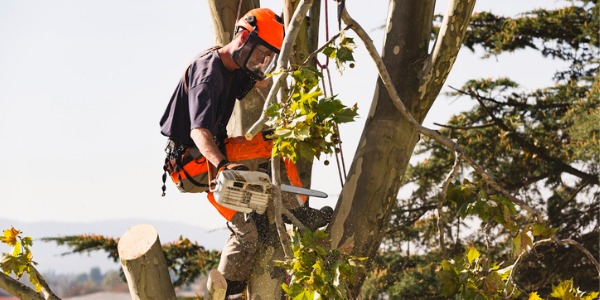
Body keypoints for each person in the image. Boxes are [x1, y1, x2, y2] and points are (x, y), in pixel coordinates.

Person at [159, 8, 332, 296]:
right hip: (194, 162)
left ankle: (229, 291)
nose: (262, 60)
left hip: (207, 160)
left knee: (250, 232)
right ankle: (297, 214)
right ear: (243, 37)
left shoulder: (235, 68)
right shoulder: (208, 74)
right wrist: (223, 165)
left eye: (269, 55)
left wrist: (293, 108)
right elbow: (198, 131)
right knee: (272, 143)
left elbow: (264, 84)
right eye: (261, 52)